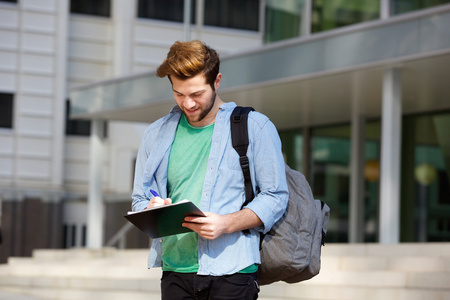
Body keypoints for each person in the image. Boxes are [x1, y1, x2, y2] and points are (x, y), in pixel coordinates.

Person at [131, 40, 288, 300]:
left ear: (217, 81)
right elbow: (139, 199)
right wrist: (151, 210)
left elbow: (275, 197)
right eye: (179, 94)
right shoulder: (154, 135)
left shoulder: (256, 127)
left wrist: (225, 223)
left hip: (233, 271)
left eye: (196, 94)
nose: (188, 103)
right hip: (175, 271)